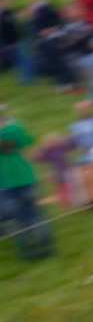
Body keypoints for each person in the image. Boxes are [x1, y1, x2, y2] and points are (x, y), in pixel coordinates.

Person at [0, 103, 53, 260]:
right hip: (26, 178)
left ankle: (29, 253)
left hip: (7, 183)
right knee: (35, 214)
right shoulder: (16, 127)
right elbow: (28, 144)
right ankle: (47, 249)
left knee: (18, 220)